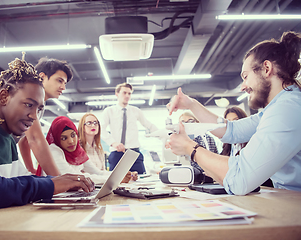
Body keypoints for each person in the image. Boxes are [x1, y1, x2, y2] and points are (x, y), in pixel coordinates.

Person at [0, 58, 94, 214]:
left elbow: (17, 181)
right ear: (4, 97)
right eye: (29, 105)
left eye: (38, 109)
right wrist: (51, 185)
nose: (34, 117)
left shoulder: (7, 139)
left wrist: (59, 182)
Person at [166, 31, 301, 195]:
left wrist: (190, 148)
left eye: (245, 77)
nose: (243, 86)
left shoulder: (288, 108)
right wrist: (191, 104)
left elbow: (239, 179)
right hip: (289, 199)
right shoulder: (279, 106)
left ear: (267, 68)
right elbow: (232, 131)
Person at [37, 116, 135, 184]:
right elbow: (76, 177)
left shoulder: (78, 151)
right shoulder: (54, 151)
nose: (71, 141)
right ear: (57, 139)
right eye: (63, 138)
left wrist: (122, 174)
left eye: (73, 135)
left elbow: (98, 172)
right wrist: (116, 179)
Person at [18, 57, 73, 176]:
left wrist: (30, 168)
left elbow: (24, 140)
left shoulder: (39, 105)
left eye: (64, 83)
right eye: (59, 81)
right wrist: (59, 180)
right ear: (42, 77)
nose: (63, 87)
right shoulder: (28, 96)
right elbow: (35, 139)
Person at [101, 83, 158, 174]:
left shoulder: (136, 111)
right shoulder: (109, 111)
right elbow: (101, 129)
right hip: (117, 153)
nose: (127, 95)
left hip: (134, 153)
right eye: (124, 93)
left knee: (141, 180)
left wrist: (164, 137)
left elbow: (149, 125)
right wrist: (113, 143)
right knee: (114, 182)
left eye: (129, 93)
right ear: (117, 94)